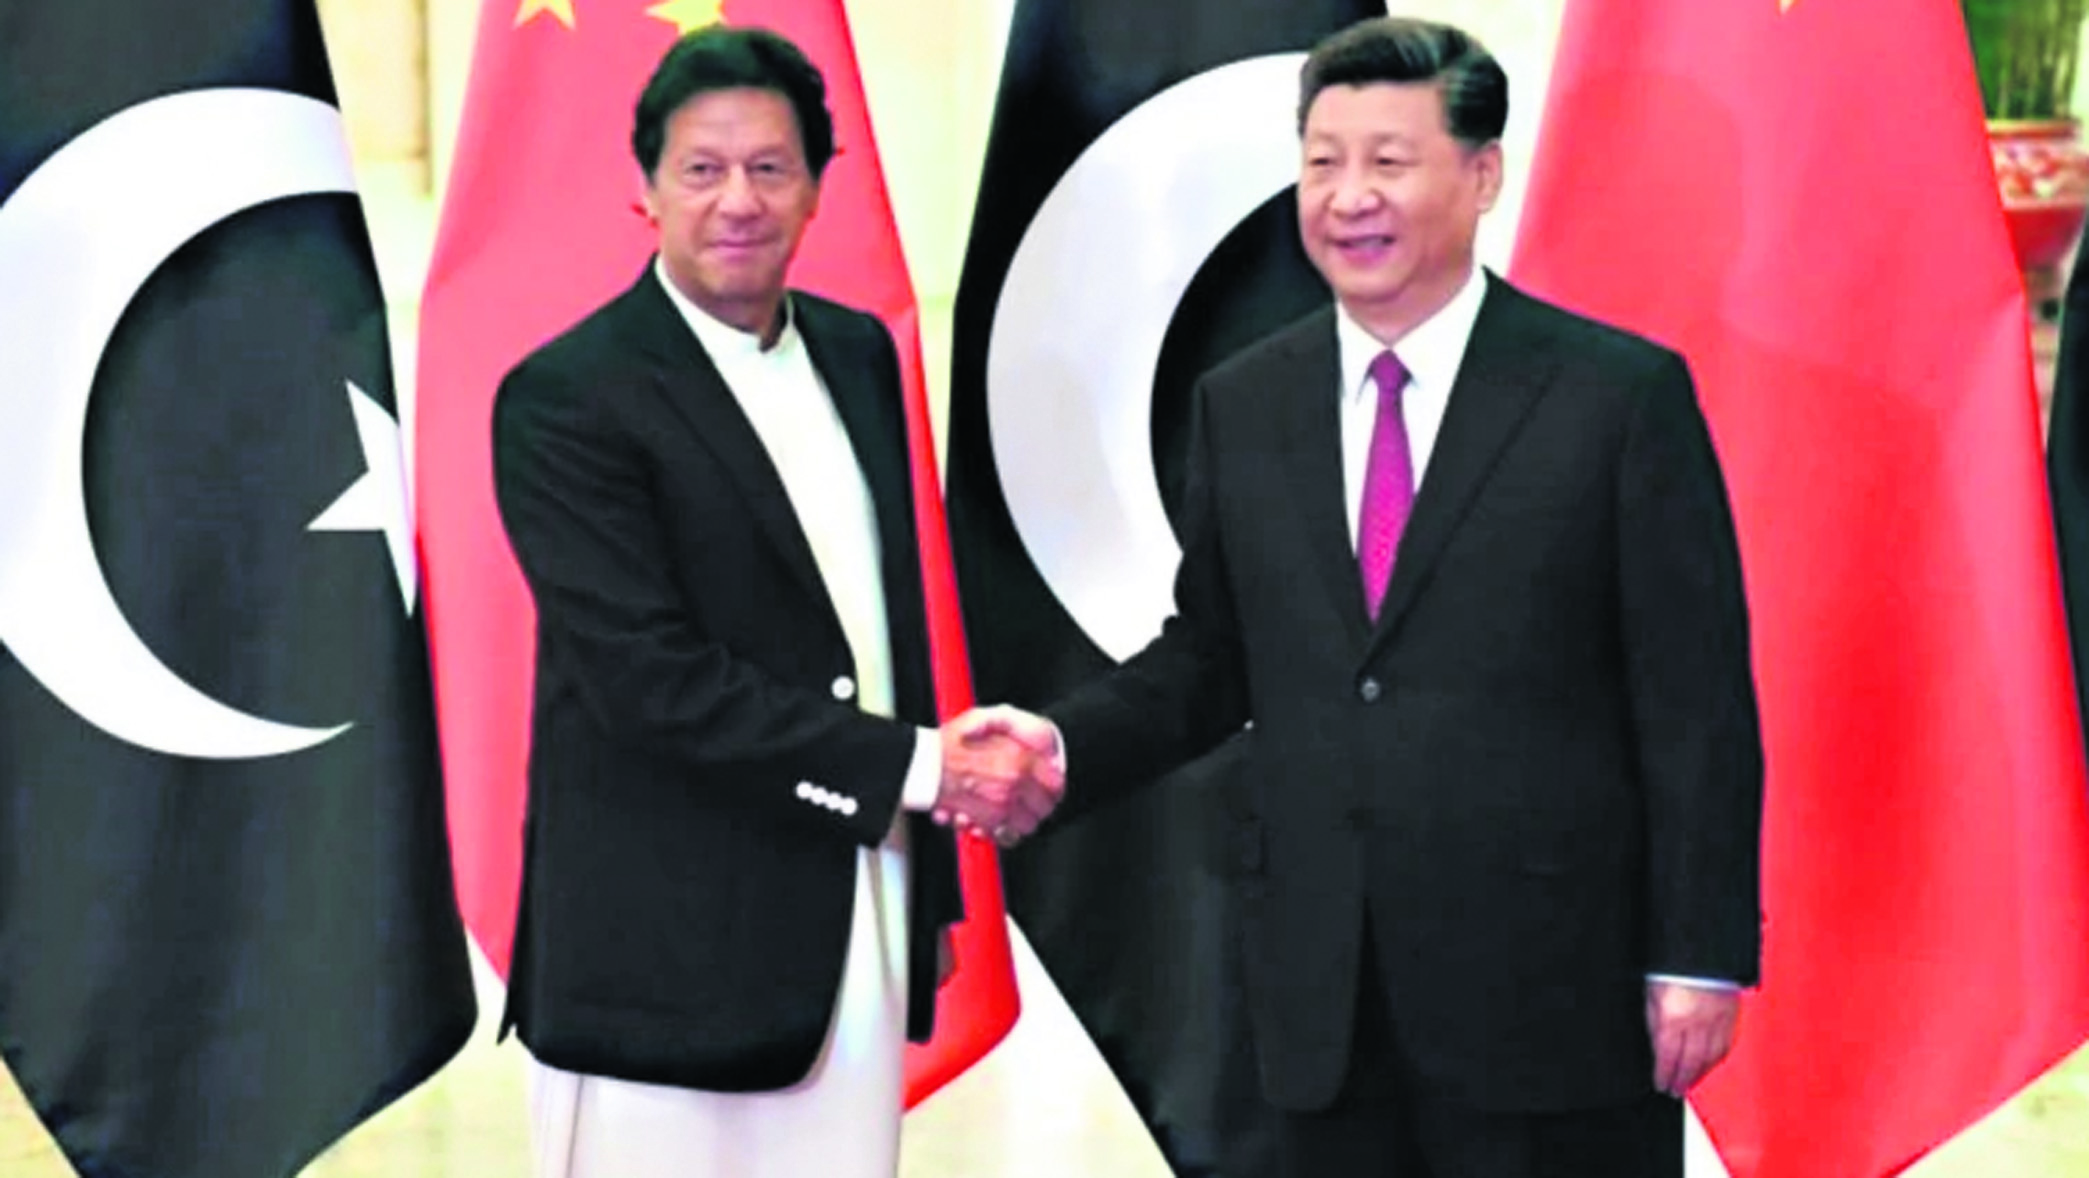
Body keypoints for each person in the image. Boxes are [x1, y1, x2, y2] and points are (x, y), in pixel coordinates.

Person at [959, 16, 1763, 1177]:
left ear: (1480, 175)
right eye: (1322, 161)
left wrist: (1697, 952)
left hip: (1552, 994)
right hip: (1319, 999)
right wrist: (1063, 743)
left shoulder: (1615, 397)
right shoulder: (1245, 402)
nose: (1347, 197)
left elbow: (1694, 703)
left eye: (1388, 160)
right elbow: (1213, 655)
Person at [490, 26, 1059, 1178]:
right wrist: (924, 771)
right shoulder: (566, 396)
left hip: (859, 912)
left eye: (769, 167)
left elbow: (886, 629)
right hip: (659, 954)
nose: (737, 201)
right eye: (702, 169)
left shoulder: (858, 354)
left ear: (814, 189)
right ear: (647, 188)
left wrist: (931, 894)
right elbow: (649, 683)